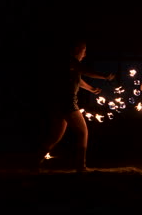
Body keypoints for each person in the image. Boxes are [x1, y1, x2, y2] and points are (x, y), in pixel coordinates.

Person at [31, 39, 115, 173]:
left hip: (60, 104)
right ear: (77, 50)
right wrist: (104, 76)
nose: (85, 54)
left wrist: (91, 88)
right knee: (83, 132)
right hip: (67, 103)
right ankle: (81, 166)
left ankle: (34, 162)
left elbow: (79, 79)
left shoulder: (72, 65)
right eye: (84, 51)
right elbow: (85, 71)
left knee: (55, 136)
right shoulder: (70, 61)